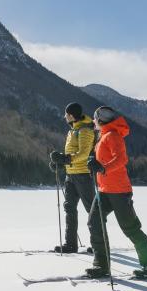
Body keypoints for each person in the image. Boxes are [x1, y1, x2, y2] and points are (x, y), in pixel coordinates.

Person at [85, 105, 147, 279]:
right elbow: (103, 161)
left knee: (130, 228)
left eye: (95, 118)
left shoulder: (113, 135)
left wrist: (102, 168)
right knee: (94, 222)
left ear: (100, 119)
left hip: (119, 190)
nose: (93, 121)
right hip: (104, 190)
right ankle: (101, 265)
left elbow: (121, 159)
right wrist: (94, 164)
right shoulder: (102, 136)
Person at [48, 102, 96, 254]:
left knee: (92, 210)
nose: (64, 116)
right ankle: (70, 244)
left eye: (66, 114)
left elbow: (83, 153)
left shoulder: (85, 131)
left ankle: (98, 244)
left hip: (83, 175)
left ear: (72, 115)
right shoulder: (72, 131)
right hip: (71, 175)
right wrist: (61, 164)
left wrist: (65, 159)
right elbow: (73, 155)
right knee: (69, 208)